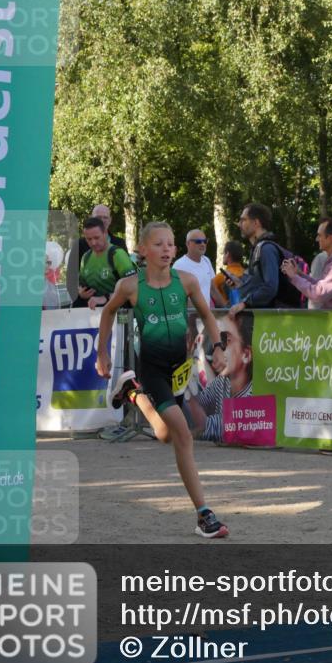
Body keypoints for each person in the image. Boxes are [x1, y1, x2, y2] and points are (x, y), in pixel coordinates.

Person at [95, 221, 230, 538]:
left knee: (165, 435)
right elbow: (108, 313)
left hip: (179, 368)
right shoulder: (130, 286)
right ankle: (204, 515)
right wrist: (102, 353)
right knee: (183, 435)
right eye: (158, 244)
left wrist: (219, 347)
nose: (167, 249)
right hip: (153, 368)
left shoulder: (186, 281)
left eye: (170, 244)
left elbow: (208, 315)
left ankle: (132, 394)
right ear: (143, 250)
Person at [187, 312, 253, 443]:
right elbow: (200, 404)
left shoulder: (251, 396)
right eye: (219, 340)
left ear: (246, 355)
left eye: (226, 340)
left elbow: (206, 427)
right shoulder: (223, 381)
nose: (218, 348)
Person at [281, 217, 332, 309]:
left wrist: (294, 277)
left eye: (320, 235)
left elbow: (319, 293)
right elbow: (322, 286)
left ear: (330, 238)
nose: (317, 239)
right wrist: (300, 274)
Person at [66, 204, 127, 302]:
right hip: (86, 306)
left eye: (105, 217)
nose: (102, 220)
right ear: (91, 218)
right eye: (98, 217)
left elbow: (127, 280)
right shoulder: (79, 244)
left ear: (110, 220)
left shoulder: (119, 243)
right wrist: (79, 293)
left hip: (115, 303)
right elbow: (71, 277)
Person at [73, 217, 137, 309]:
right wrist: (81, 293)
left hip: (119, 315)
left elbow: (133, 289)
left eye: (96, 237)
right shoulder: (85, 257)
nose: (93, 243)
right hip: (93, 315)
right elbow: (82, 286)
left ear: (105, 234)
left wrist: (105, 298)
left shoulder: (117, 254)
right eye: (89, 239)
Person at [173, 229, 215, 308]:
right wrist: (200, 312)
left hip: (206, 315)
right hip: (190, 316)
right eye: (198, 241)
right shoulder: (179, 265)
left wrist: (226, 308)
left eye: (205, 241)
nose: (202, 244)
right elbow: (178, 296)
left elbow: (213, 289)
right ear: (188, 244)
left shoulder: (206, 260)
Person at [212, 241, 245, 308]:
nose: (223, 256)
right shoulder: (247, 274)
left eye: (224, 253)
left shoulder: (220, 277)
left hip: (227, 314)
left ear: (227, 254)